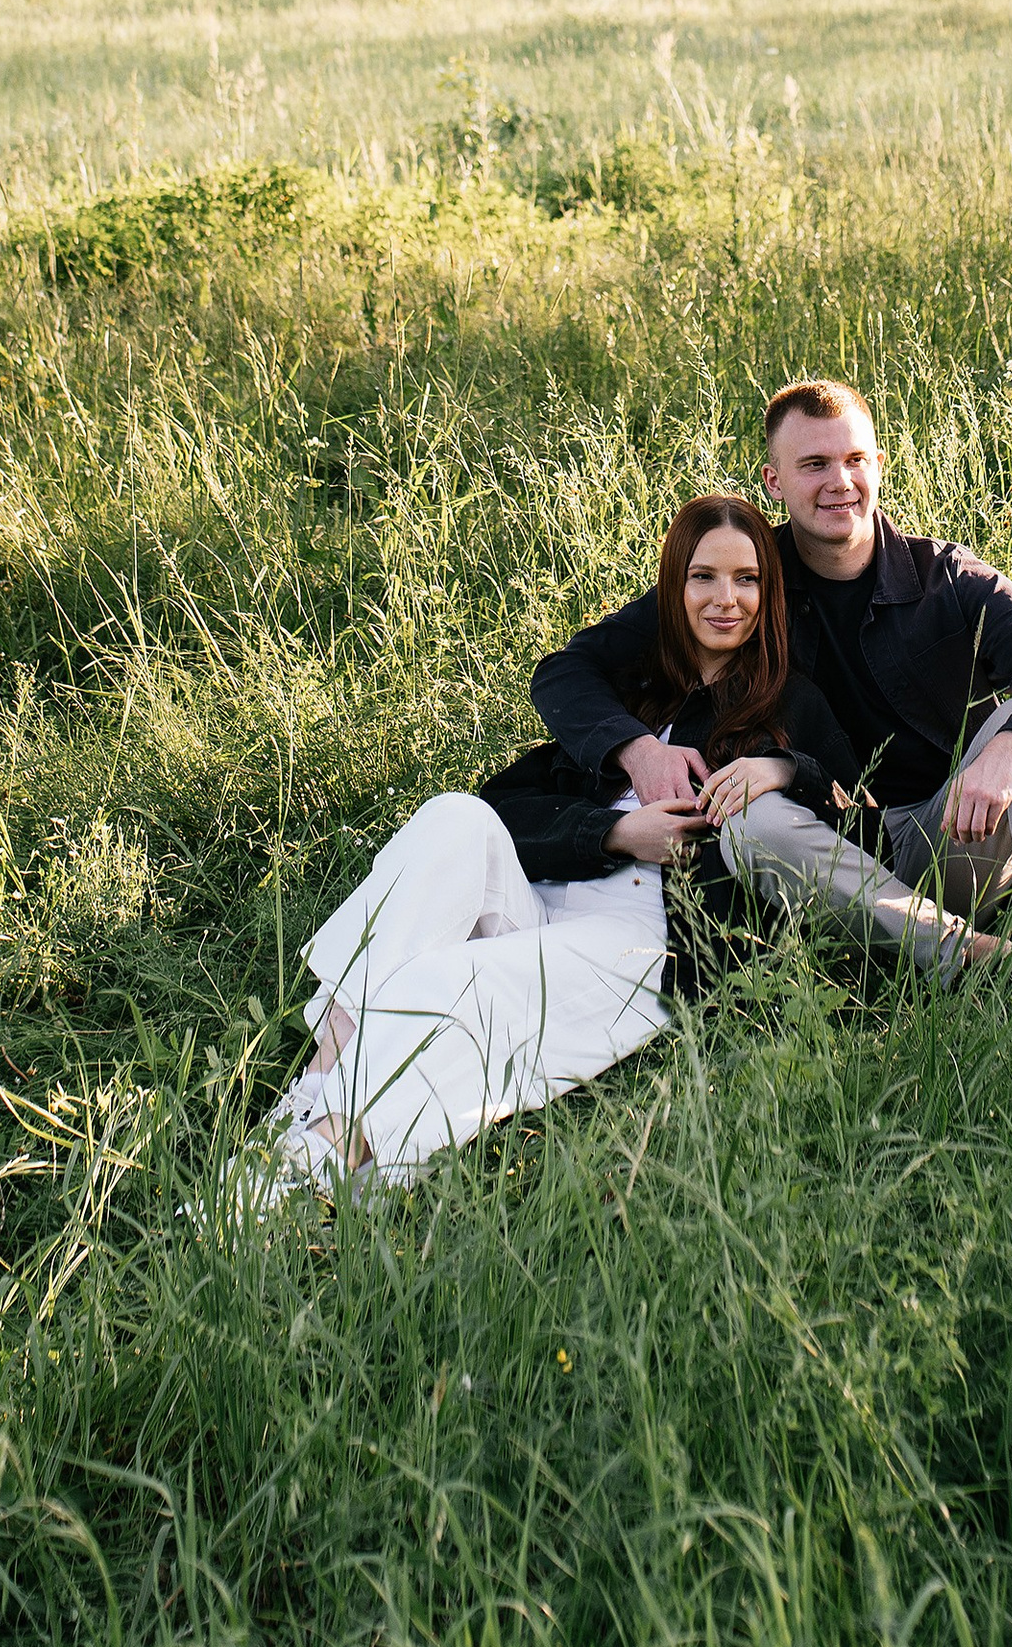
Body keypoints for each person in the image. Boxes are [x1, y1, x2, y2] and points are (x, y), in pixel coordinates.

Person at [261, 496, 887, 1192]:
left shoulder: (790, 702)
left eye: (747, 579)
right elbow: (506, 809)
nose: (725, 599)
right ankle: (325, 1068)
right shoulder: (635, 697)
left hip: (648, 933)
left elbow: (858, 829)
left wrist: (783, 768)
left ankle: (310, 1165)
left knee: (456, 983)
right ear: (672, 588)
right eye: (703, 576)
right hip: (549, 889)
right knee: (452, 817)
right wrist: (615, 829)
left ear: (769, 592)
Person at [532, 378, 1012, 1021]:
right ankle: (972, 958)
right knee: (750, 821)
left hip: (949, 835)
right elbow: (568, 670)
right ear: (774, 481)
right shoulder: (746, 576)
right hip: (823, 853)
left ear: (879, 467)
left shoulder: (944, 575)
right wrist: (634, 749)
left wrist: (1006, 752)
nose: (840, 481)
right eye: (814, 464)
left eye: (855, 459)